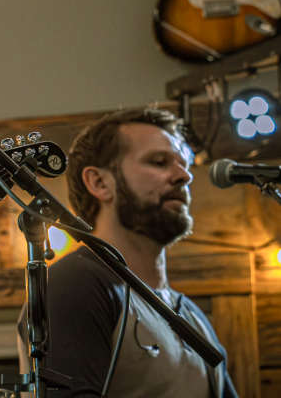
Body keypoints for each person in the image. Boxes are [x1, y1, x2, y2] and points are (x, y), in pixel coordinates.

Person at [17, 108, 237, 397]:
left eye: (184, 165)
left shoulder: (194, 317)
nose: (184, 176)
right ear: (99, 183)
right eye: (159, 162)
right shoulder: (75, 284)